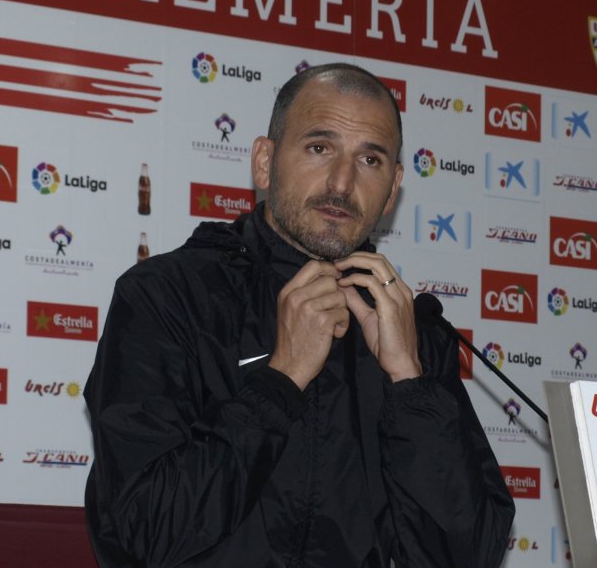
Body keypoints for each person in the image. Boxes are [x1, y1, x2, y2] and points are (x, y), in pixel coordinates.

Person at [84, 63, 515, 567]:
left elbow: (467, 557)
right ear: (265, 163)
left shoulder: (413, 333)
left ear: (393, 188)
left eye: (370, 160)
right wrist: (280, 380)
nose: (342, 182)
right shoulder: (168, 297)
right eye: (319, 148)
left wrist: (409, 384)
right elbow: (145, 531)